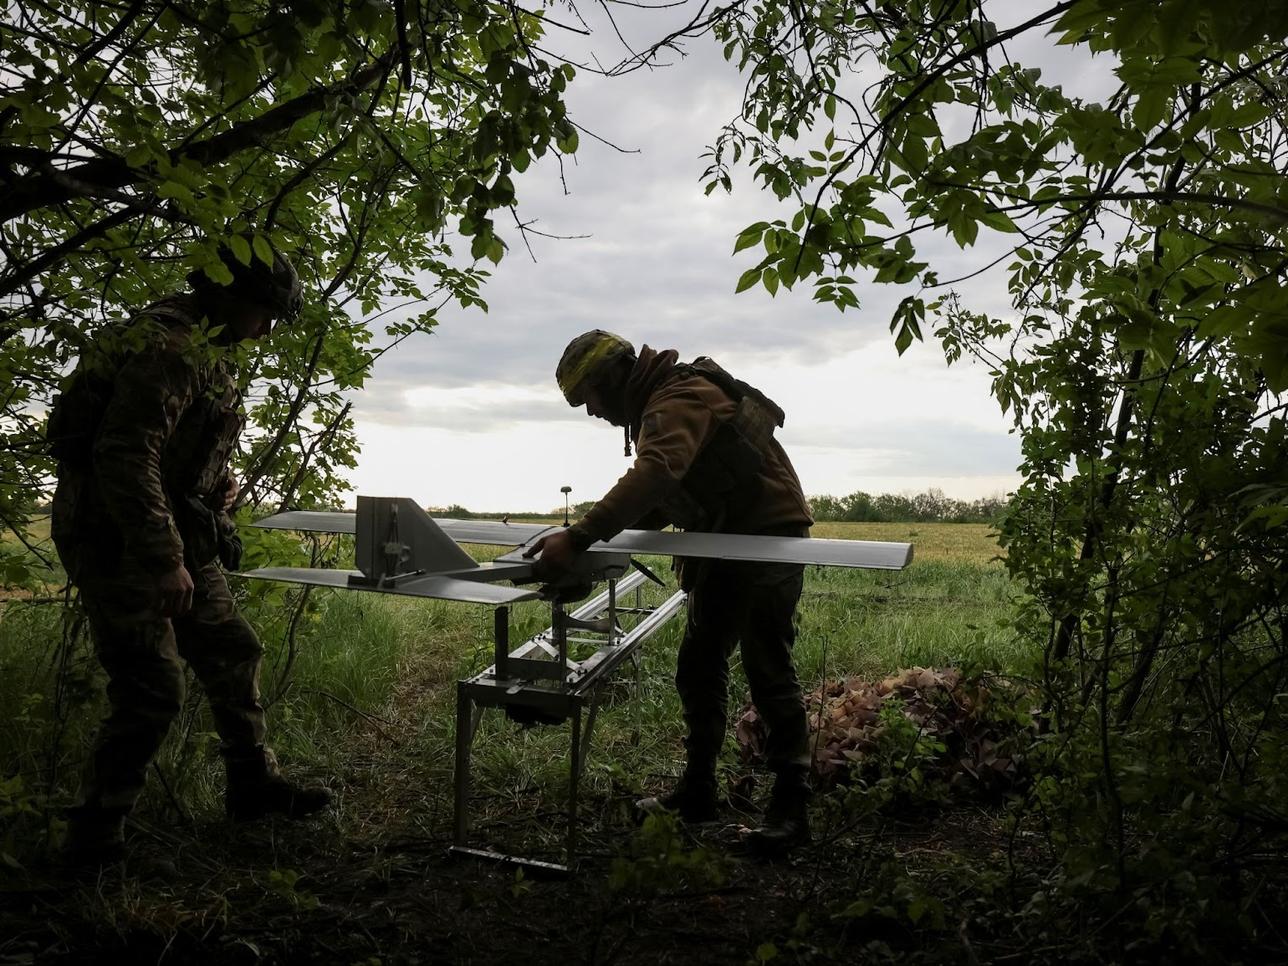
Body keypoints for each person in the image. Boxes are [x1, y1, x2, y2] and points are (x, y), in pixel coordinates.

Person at [47, 241, 331, 865]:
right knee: (151, 685)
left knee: (231, 648)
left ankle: (252, 787)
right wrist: (162, 557)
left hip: (177, 531)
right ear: (229, 295)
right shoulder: (167, 346)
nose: (264, 332)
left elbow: (177, 449)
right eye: (264, 314)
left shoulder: (209, 351)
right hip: (120, 537)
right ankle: (93, 841)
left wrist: (215, 487)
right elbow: (124, 454)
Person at [525, 330, 815, 854]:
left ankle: (791, 809)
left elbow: (658, 473)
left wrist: (581, 535)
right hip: (723, 541)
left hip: (767, 540)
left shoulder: (677, 398)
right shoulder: (662, 403)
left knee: (768, 669)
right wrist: (594, 536)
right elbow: (668, 493)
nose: (591, 411)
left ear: (614, 377)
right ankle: (698, 791)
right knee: (699, 665)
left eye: (588, 396)